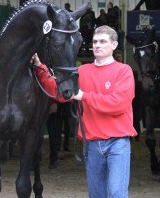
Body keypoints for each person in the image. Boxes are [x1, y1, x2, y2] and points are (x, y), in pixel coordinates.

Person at [31, 25, 137, 198]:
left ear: (114, 45)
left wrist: (83, 96)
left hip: (117, 143)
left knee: (117, 194)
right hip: (92, 143)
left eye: (103, 41)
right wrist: (39, 67)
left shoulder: (123, 71)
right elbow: (59, 93)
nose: (97, 45)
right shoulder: (81, 72)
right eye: (95, 42)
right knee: (96, 195)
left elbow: (118, 104)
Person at [46, 102, 60, 169]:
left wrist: (54, 101)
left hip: (51, 103)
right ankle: (34, 161)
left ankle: (54, 159)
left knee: (53, 134)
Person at [132, 70, 144, 141]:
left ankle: (130, 136)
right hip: (138, 104)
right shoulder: (139, 83)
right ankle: (137, 137)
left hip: (131, 104)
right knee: (137, 121)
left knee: (130, 121)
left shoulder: (130, 83)